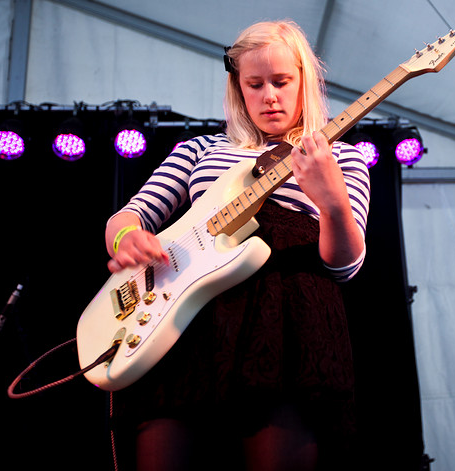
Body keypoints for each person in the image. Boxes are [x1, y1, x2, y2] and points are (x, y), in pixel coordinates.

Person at [104, 20, 370, 471]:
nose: (269, 95)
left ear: (305, 80)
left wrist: (333, 203)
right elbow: (128, 216)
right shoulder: (198, 149)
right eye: (255, 83)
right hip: (189, 323)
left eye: (282, 81)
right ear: (238, 88)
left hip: (288, 323)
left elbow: (344, 266)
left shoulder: (342, 155)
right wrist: (129, 239)